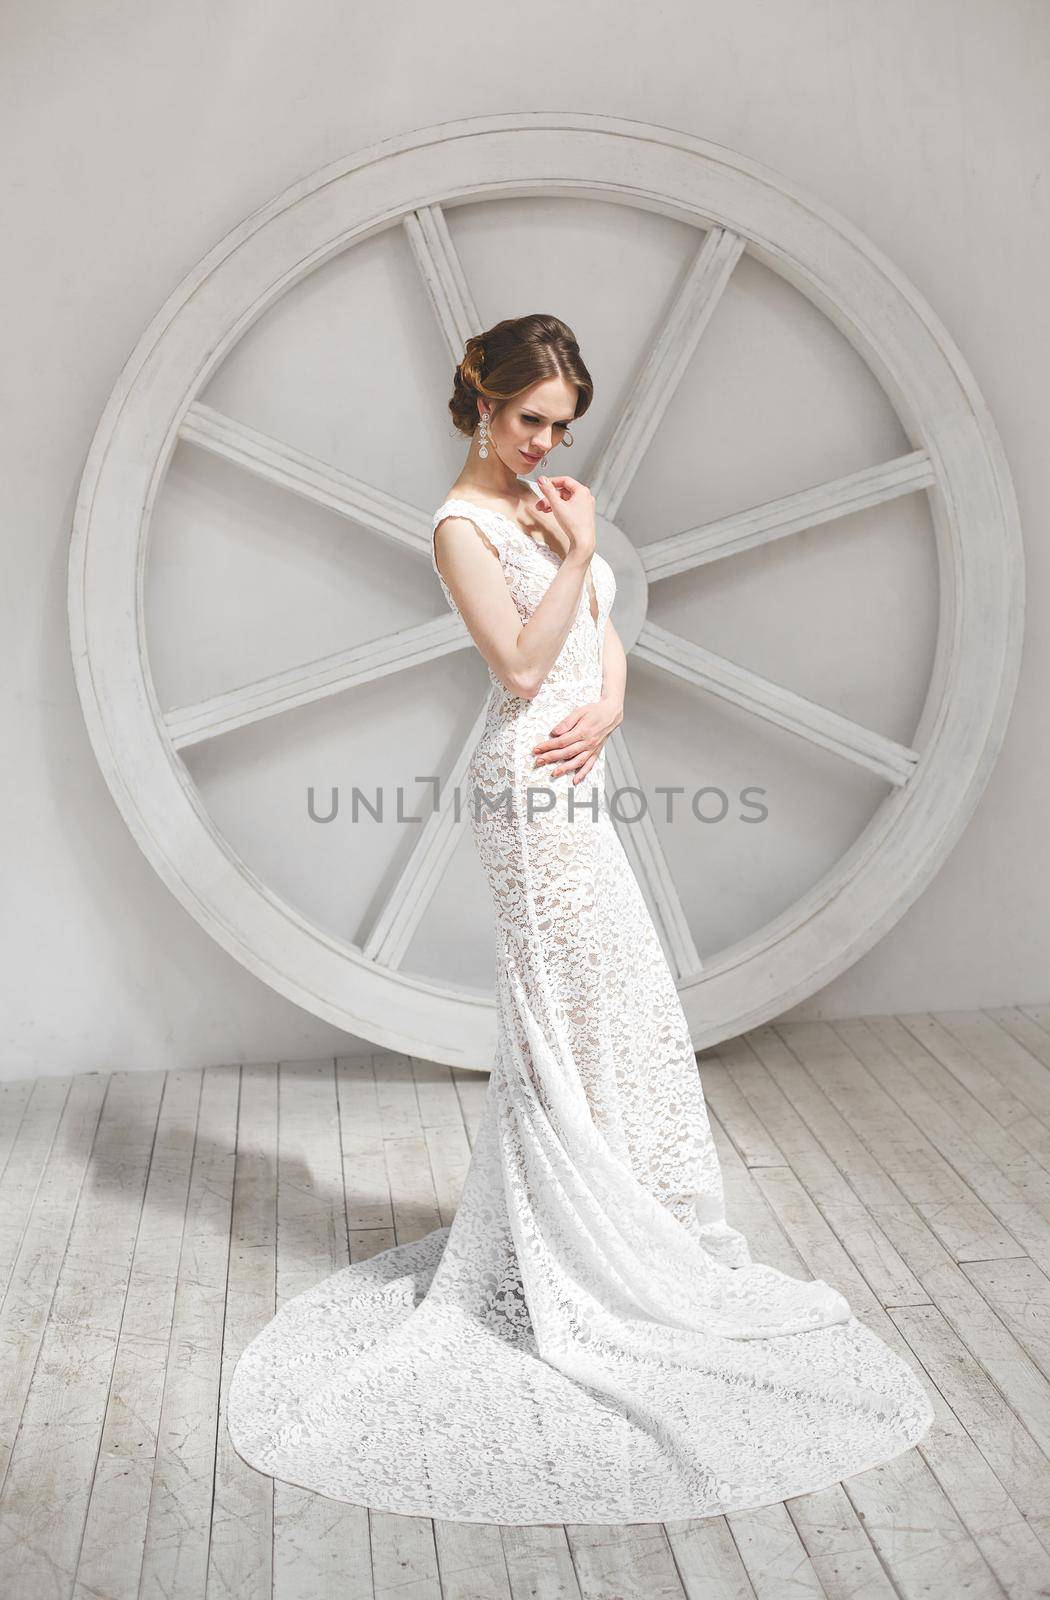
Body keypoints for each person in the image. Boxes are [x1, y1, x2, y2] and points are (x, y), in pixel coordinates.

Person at [225, 313, 933, 1524]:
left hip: (577, 772)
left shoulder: (547, 504)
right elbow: (514, 665)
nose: (545, 442)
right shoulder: (461, 526)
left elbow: (596, 638)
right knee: (566, 1007)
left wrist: (606, 705)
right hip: (522, 792)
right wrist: (577, 549)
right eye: (528, 420)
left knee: (619, 1002)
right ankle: (572, 1258)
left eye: (559, 424)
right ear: (478, 407)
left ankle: (626, 1231)